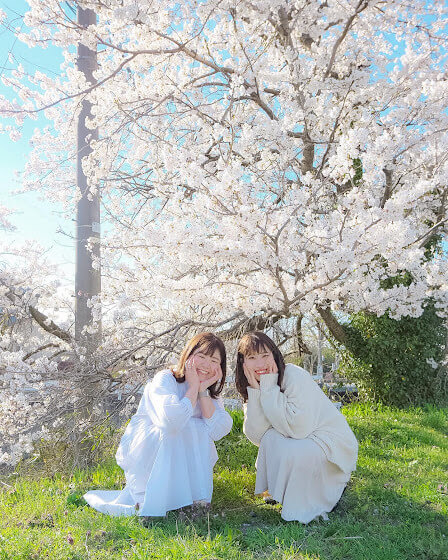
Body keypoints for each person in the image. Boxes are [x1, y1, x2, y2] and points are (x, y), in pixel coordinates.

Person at [84, 332, 233, 517]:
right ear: (188, 355)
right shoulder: (166, 378)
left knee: (198, 428)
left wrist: (202, 391)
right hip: (151, 449)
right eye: (201, 356)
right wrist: (193, 387)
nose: (206, 365)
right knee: (184, 428)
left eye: (214, 360)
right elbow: (171, 422)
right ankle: (157, 498)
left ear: (220, 367)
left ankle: (193, 500)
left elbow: (218, 430)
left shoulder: (208, 392)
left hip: (177, 447)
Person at [235, 331, 358, 523]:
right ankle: (281, 491)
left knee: (294, 450)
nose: (260, 364)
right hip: (300, 437)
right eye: (252, 358)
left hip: (328, 440)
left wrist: (270, 387)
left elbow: (299, 429)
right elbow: (257, 435)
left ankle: (323, 494)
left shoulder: (294, 375)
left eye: (265, 355)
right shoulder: (253, 385)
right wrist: (256, 391)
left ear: (274, 355)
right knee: (270, 438)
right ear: (243, 362)